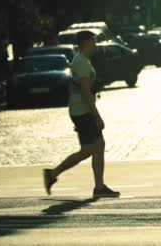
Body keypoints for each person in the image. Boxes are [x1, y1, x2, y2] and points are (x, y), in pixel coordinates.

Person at [42, 31, 119, 198]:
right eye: (93, 41)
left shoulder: (80, 60)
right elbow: (85, 92)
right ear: (86, 42)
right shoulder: (82, 63)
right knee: (88, 150)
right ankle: (53, 174)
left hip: (80, 110)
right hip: (83, 110)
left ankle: (99, 187)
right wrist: (96, 116)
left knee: (99, 146)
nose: (95, 44)